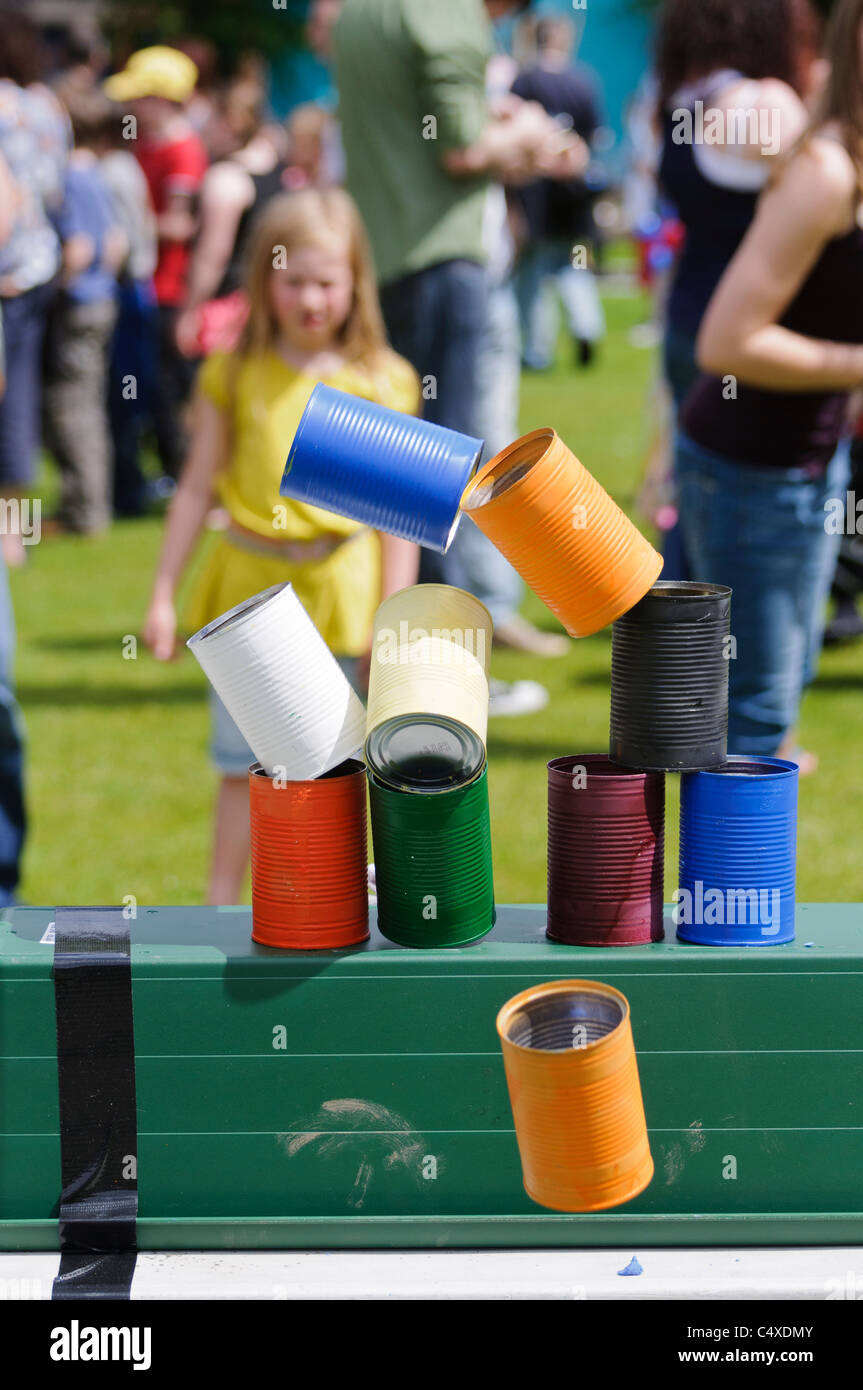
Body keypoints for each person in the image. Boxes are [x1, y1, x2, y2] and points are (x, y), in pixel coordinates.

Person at [143, 190, 420, 904]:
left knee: (333, 769)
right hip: (247, 600)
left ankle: (327, 908)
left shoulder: (381, 380)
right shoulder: (233, 372)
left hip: (341, 595)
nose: (310, 298)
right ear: (263, 280)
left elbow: (400, 521)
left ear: (355, 282)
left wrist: (391, 623)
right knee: (242, 766)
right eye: (292, 279)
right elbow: (197, 487)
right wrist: (161, 596)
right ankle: (220, 906)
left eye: (327, 281)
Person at [332, 0, 585, 691]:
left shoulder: (360, 14)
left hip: (384, 262)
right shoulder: (444, 14)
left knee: (399, 468)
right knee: (453, 468)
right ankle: (442, 674)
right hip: (442, 265)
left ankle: (403, 660)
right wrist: (530, 138)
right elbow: (461, 150)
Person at [675, 0, 863, 768]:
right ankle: (724, 892)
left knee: (783, 686)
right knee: (751, 712)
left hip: (810, 459)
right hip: (749, 471)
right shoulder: (825, 171)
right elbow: (727, 341)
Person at [653, 0, 820, 578]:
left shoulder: (681, 100)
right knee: (747, 507)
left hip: (685, 318)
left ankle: (670, 630)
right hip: (748, 334)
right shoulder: (764, 102)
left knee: (697, 482)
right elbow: (823, 190)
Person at [104, 47, 208, 490]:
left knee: (168, 391)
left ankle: (185, 478)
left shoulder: (182, 151)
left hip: (170, 289)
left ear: (164, 98)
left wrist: (130, 227)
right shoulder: (145, 144)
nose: (130, 107)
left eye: (140, 97)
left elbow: (181, 224)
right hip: (149, 284)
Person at [0, 13, 70, 566]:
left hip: (7, 269)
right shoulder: (47, 106)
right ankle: (13, 535)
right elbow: (54, 187)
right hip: (38, 264)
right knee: (18, 398)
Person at [42, 84, 126, 535]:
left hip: (78, 309)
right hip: (103, 302)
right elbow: (115, 245)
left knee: (71, 408)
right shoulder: (98, 174)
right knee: (90, 405)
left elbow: (79, 248)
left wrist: (56, 289)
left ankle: (83, 511)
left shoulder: (71, 177)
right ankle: (92, 505)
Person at [512, 15, 606, 371]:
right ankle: (586, 326)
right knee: (574, 268)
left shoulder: (524, 81)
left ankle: (537, 352)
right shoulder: (583, 82)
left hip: (536, 197)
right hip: (575, 198)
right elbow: (596, 139)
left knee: (535, 278)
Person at [174, 78, 289, 360]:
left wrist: (189, 313)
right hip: (266, 304)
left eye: (211, 119)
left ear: (230, 122)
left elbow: (213, 254)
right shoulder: (274, 166)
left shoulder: (225, 179)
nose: (205, 129)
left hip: (227, 313)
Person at [94, 103, 159, 519]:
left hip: (127, 291)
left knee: (123, 392)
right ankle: (129, 486)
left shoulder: (111, 171)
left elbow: (121, 239)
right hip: (138, 288)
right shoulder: (129, 166)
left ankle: (128, 490)